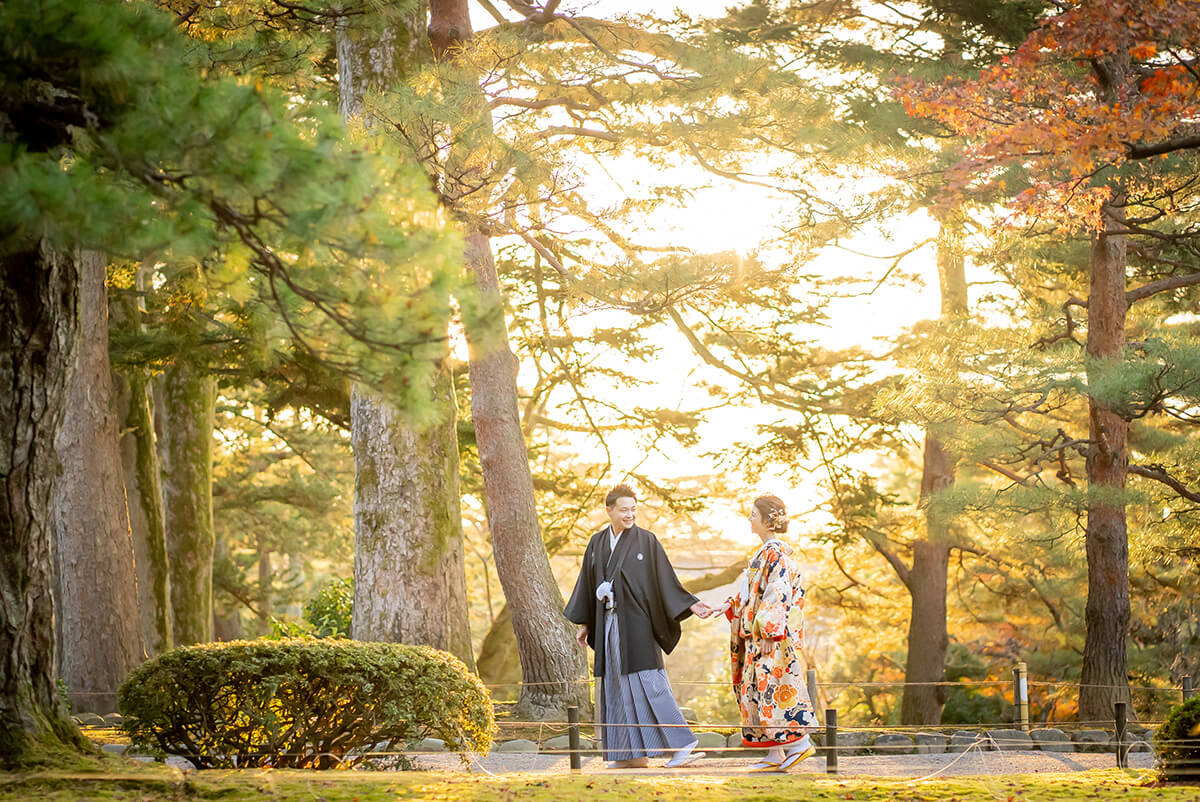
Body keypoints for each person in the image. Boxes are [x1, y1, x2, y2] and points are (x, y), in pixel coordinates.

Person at [564, 483, 712, 769]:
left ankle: (683, 744)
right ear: (609, 511)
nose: (630, 515)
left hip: (638, 625)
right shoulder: (596, 543)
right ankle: (629, 754)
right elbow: (586, 583)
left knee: (649, 682)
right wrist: (585, 623)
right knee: (615, 686)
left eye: (633, 509)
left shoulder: (647, 541)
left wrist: (690, 604)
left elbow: (665, 580)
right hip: (608, 623)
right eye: (623, 510)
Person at [715, 494, 817, 773]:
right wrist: (730, 604)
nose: (750, 519)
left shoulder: (775, 553)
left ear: (767, 520)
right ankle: (775, 753)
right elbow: (754, 594)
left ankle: (798, 744)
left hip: (770, 638)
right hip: (759, 636)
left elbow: (776, 594)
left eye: (753, 515)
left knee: (774, 691)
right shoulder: (764, 554)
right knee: (759, 693)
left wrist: (771, 632)